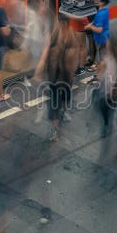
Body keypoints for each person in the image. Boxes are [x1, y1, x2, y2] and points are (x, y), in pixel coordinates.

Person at [40, 14, 79, 142]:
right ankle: (55, 129)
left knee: (64, 98)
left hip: (64, 76)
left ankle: (64, 112)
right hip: (56, 77)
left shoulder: (70, 36)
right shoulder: (55, 35)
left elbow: (73, 56)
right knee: (54, 105)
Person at [84, 0, 110, 71]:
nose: (96, 0)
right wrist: (91, 24)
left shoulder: (100, 14)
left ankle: (99, 67)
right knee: (102, 52)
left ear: (102, 3)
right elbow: (96, 22)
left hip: (100, 37)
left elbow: (99, 29)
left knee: (100, 53)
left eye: (98, 0)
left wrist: (90, 27)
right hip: (104, 36)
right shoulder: (104, 10)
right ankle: (101, 65)